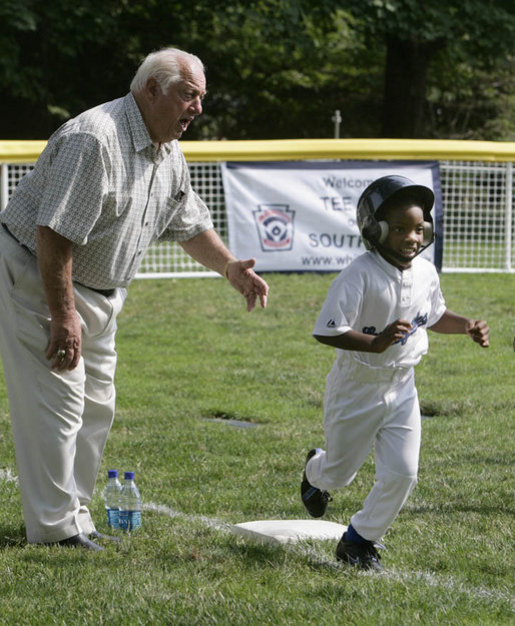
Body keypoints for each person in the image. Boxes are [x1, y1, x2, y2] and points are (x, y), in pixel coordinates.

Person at [0, 47, 269, 551]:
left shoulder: (167, 148)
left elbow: (187, 222)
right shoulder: (95, 139)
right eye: (189, 96)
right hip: (40, 281)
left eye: (201, 98)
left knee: (96, 406)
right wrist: (64, 315)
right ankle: (55, 530)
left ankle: (76, 515)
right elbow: (53, 235)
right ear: (151, 90)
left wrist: (230, 267)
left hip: (102, 296)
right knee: (58, 404)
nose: (198, 110)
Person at [300, 175, 489, 571]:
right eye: (400, 228)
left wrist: (467, 325)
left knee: (403, 473)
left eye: (419, 228)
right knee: (337, 475)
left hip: (403, 386)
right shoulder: (359, 275)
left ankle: (359, 540)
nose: (412, 237)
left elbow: (434, 315)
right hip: (357, 386)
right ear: (376, 229)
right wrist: (375, 343)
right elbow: (326, 329)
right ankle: (314, 470)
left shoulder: (426, 272)